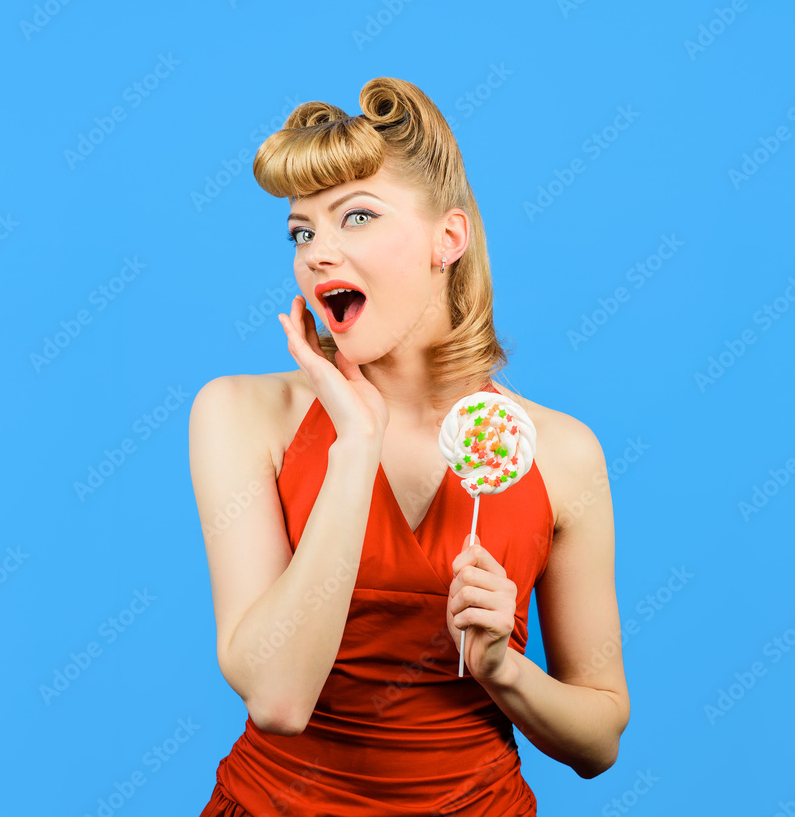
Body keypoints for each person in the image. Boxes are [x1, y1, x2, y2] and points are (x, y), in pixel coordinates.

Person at [190, 77, 630, 816]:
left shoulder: (560, 451)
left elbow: (599, 741)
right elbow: (277, 698)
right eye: (303, 231)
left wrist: (503, 669)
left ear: (447, 239)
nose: (319, 253)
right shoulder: (240, 414)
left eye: (356, 217)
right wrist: (356, 442)